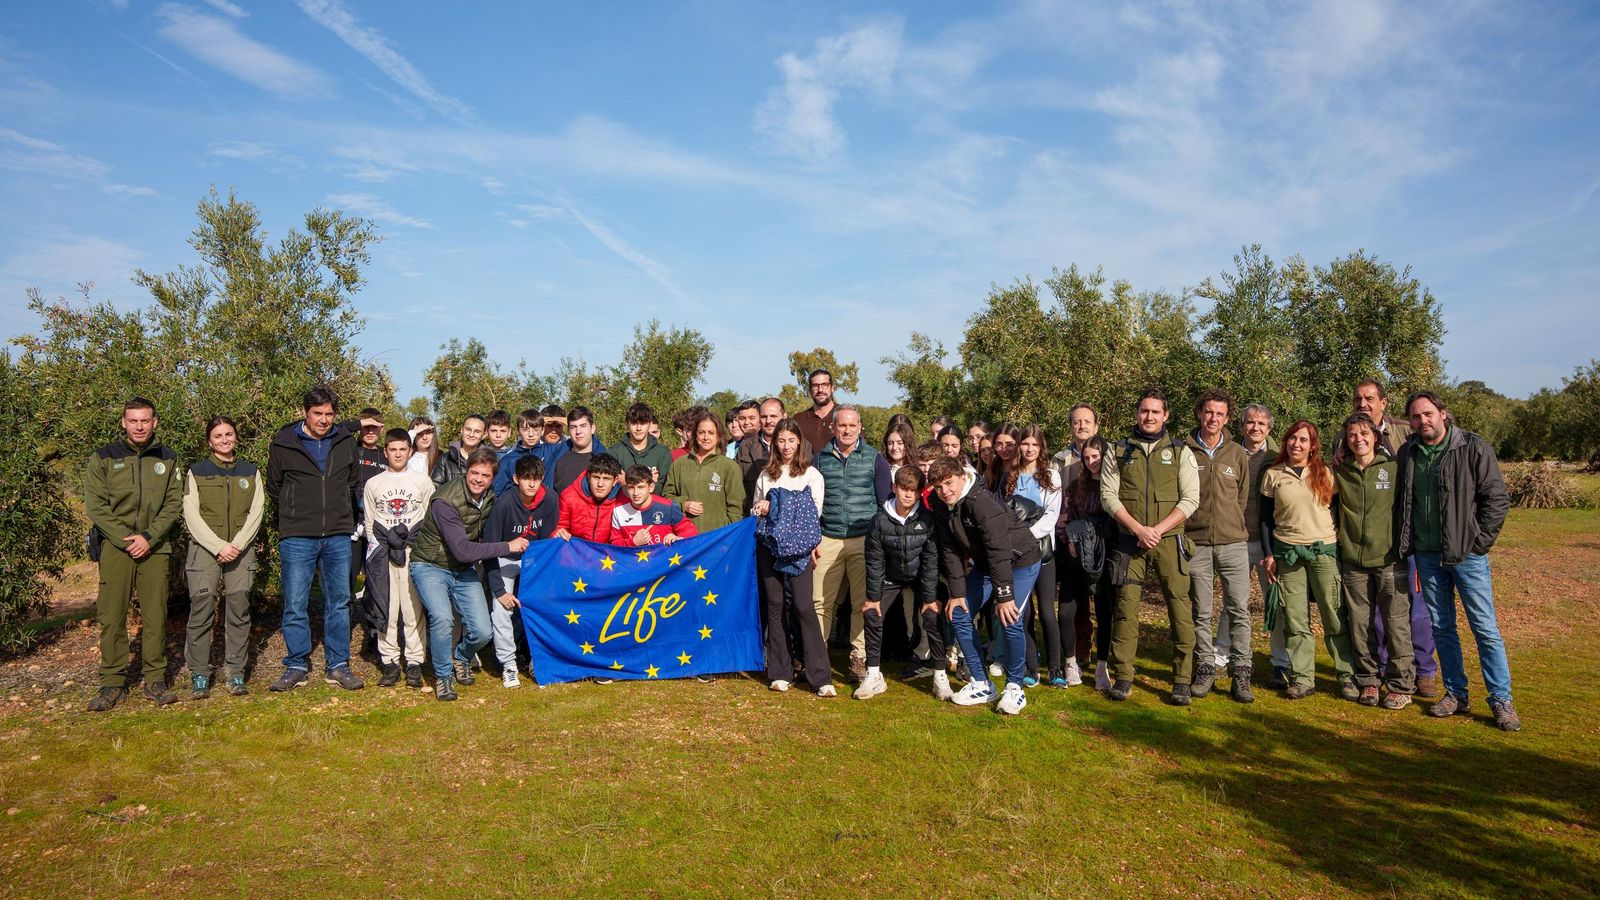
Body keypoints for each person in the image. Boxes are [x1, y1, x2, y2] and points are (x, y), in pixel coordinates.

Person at [1396, 391, 1518, 730]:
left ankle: (1501, 699)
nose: (1423, 421)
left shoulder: (1473, 447)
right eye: (1416, 416)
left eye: (1428, 414)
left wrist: (1478, 544)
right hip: (1427, 555)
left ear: (1443, 413)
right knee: (1442, 628)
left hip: (1467, 555)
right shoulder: (1409, 452)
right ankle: (1455, 693)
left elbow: (1497, 500)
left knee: (1485, 628)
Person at [1334, 379, 1440, 699]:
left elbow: (1411, 496)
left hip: (1397, 549)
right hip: (1356, 555)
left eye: (1370, 398)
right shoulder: (1343, 443)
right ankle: (1372, 676)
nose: (1363, 403)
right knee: (1366, 621)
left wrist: (1413, 544)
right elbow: (1328, 497)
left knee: (1409, 617)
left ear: (1384, 402)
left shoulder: (1403, 433)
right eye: (1358, 398)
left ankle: (1417, 674)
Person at [1100, 389, 1200, 705]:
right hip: (1130, 542)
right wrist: (1138, 529)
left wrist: (1156, 530)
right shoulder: (1117, 450)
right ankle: (1123, 678)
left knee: (1179, 609)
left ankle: (1182, 680)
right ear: (1137, 413)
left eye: (1156, 411)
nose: (1150, 416)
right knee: (1126, 610)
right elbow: (1108, 496)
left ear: (1165, 415)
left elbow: (1191, 499)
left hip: (1169, 541)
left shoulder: (1181, 451)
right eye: (1144, 411)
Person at [84, 397, 184, 710]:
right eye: (133, 420)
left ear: (155, 423)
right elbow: (96, 505)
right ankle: (112, 683)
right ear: (123, 423)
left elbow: (173, 503)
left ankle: (155, 680)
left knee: (156, 614)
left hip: (155, 547)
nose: (139, 426)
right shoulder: (104, 457)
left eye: (145, 420)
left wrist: (149, 537)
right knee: (112, 615)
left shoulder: (168, 458)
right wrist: (126, 539)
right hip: (116, 547)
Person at [267, 387, 366, 692]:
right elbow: (274, 487)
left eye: (329, 414)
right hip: (297, 535)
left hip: (337, 535)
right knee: (295, 603)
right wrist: (296, 514)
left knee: (339, 602)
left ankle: (337, 665)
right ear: (305, 412)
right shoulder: (284, 443)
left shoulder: (345, 442)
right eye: (317, 413)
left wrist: (343, 518)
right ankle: (296, 665)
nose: (323, 420)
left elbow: (351, 483)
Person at [409, 448, 528, 700]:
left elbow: (485, 536)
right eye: (474, 473)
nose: (478, 479)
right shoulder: (445, 500)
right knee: (442, 619)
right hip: (431, 565)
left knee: (483, 631)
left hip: (462, 570)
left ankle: (461, 656)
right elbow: (463, 550)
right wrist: (508, 546)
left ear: (492, 478)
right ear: (466, 471)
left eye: (485, 475)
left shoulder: (491, 497)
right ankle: (443, 677)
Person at [927, 456, 1042, 715]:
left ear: (961, 476)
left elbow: (999, 549)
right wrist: (957, 594)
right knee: (958, 612)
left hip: (1019, 560)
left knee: (1010, 618)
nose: (945, 491)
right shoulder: (940, 504)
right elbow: (949, 551)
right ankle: (981, 682)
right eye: (938, 487)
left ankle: (1015, 687)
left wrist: (1004, 595)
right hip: (986, 565)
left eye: (949, 483)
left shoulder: (982, 502)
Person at [1259, 420, 1358, 700]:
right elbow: (1265, 520)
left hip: (1323, 552)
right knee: (1294, 617)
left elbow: (1337, 510)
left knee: (1334, 614)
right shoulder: (1273, 474)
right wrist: (1269, 554)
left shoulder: (1326, 473)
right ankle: (1302, 678)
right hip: (1287, 554)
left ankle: (1346, 676)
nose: (1296, 444)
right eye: (1292, 439)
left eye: (1303, 440)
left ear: (1313, 445)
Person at [1333, 414, 1415, 709]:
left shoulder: (1393, 468)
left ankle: (1401, 684)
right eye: (1352, 434)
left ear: (1376, 436)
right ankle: (1368, 681)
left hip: (1390, 559)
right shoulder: (1340, 471)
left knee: (1396, 623)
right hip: (1353, 560)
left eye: (1364, 433)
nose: (1358, 439)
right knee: (1359, 624)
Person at [181, 416, 264, 699]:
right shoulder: (197, 471)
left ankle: (236, 673)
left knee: (239, 610)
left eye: (229, 434)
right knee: (201, 611)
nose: (224, 440)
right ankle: (200, 674)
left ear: (236, 438)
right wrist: (218, 546)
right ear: (209, 441)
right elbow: (191, 514)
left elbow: (257, 511)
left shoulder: (250, 471)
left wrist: (237, 544)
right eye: (218, 436)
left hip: (241, 550)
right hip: (205, 550)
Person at [811, 405, 892, 682]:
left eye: (852, 426)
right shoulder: (819, 460)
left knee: (862, 603)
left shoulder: (874, 460)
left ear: (860, 428)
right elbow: (813, 504)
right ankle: (817, 656)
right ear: (833, 427)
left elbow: (884, 504)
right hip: (828, 537)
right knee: (820, 601)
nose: (847, 430)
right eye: (842, 426)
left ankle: (859, 658)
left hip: (863, 539)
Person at [1182, 390, 1254, 702]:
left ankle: (1241, 672)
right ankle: (1205, 668)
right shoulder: (1184, 450)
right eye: (1209, 412)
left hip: (1233, 544)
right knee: (1201, 611)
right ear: (1200, 413)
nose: (1213, 418)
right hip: (1196, 543)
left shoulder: (1237, 453)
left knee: (1238, 609)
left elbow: (1241, 497)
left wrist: (1231, 526)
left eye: (1220, 414)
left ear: (1227, 419)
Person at [751, 419, 831, 695]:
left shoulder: (811, 475)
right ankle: (780, 672)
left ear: (799, 442)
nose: (786, 446)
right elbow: (756, 511)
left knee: (803, 607)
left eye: (791, 440)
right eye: (781, 441)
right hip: (768, 547)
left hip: (799, 549)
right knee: (774, 606)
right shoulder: (765, 474)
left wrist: (776, 505)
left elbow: (813, 514)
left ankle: (820, 677)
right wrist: (762, 508)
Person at [1214, 403, 1285, 685]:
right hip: (1236, 539)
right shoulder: (1228, 452)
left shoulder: (1278, 457)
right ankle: (1221, 655)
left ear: (1269, 428)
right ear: (1242, 425)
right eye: (1250, 423)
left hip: (1269, 543)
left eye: (1261, 424)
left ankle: (1281, 661)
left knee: (1274, 604)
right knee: (1233, 601)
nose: (1255, 428)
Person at [859, 464, 942, 700]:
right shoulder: (879, 520)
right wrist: (873, 597)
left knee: (931, 615)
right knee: (872, 615)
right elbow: (874, 561)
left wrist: (928, 598)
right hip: (890, 576)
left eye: (914, 490)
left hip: (919, 575)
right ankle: (873, 675)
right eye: (903, 488)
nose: (908, 494)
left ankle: (939, 673)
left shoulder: (927, 519)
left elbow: (930, 560)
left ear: (920, 493)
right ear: (894, 487)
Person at [363, 427, 434, 690]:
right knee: (387, 607)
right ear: (385, 452)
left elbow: (429, 518)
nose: (397, 454)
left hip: (412, 551)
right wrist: (377, 551)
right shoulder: (374, 484)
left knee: (412, 608)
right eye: (392, 449)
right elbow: (370, 522)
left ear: (410, 451)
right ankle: (390, 661)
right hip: (384, 553)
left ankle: (414, 661)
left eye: (402, 449)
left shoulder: (422, 482)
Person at [484, 454, 558, 688]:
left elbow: (545, 543)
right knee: (501, 609)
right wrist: (499, 591)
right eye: (526, 478)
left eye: (536, 478)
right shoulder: (503, 504)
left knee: (540, 604)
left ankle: (540, 660)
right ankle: (509, 665)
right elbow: (489, 550)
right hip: (503, 559)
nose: (532, 484)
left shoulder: (551, 499)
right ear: (516, 478)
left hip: (534, 561)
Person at [1005, 424, 1061, 687]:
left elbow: (1051, 517)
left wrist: (1026, 537)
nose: (1029, 449)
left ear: (1041, 448)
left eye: (1034, 445)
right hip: (1017, 557)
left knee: (1048, 613)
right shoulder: (1011, 476)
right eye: (1025, 444)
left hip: (1043, 553)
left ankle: (1055, 669)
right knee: (1023, 613)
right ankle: (1030, 667)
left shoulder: (1051, 476)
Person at [1060, 436, 1116, 691]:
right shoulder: (1076, 485)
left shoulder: (1115, 485)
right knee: (1068, 609)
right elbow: (1067, 518)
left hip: (1105, 553)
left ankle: (1102, 664)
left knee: (1105, 611)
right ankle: (1070, 661)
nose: (1092, 462)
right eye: (1087, 457)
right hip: (1078, 551)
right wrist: (1070, 540)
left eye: (1097, 456)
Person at [1052, 403, 1100, 671]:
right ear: (1070, 426)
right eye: (1076, 421)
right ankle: (1078, 651)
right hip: (1068, 537)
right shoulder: (1059, 460)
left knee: (1105, 600)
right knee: (1076, 599)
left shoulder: (1108, 455)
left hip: (1100, 539)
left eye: (1086, 421)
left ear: (1096, 426)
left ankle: (1107, 652)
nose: (1081, 425)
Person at [663, 411, 746, 533]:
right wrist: (683, 504)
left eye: (711, 433)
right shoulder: (679, 464)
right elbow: (666, 497)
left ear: (718, 436)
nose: (706, 437)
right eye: (701, 432)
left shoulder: (730, 467)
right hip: (685, 538)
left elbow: (736, 509)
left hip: (717, 540)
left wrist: (727, 536)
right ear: (695, 435)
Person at [349, 407, 386, 654]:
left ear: (381, 429)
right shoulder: (349, 451)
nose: (369, 431)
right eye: (365, 427)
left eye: (374, 427)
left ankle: (374, 632)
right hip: (351, 527)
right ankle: (344, 631)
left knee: (375, 583)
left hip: (377, 528)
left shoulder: (387, 455)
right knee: (346, 581)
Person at [611, 465, 698, 547]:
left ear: (651, 487)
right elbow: (615, 544)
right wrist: (633, 542)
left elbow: (691, 531)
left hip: (664, 561)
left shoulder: (668, 507)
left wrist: (678, 539)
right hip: (634, 562)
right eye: (631, 488)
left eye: (641, 487)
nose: (636, 493)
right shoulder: (618, 510)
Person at [555, 454, 626, 544]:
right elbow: (559, 527)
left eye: (606, 479)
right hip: (576, 552)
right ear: (588, 477)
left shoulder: (622, 500)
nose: (600, 484)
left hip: (608, 554)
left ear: (615, 481)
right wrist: (558, 533)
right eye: (596, 477)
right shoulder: (568, 496)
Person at [541, 405, 608, 493]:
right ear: (568, 430)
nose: (578, 432)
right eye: (573, 427)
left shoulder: (603, 459)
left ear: (593, 428)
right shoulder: (558, 455)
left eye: (583, 426)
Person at [611, 402, 674, 495]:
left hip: (654, 507)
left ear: (649, 424)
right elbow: (612, 487)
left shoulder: (662, 452)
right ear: (627, 424)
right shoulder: (615, 452)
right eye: (634, 423)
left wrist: (627, 481)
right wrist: (649, 481)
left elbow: (664, 488)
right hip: (623, 506)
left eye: (643, 423)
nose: (638, 428)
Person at [735, 397, 784, 513]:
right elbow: (738, 487)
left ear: (784, 416)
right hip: (755, 516)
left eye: (773, 416)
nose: (768, 421)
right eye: (764, 417)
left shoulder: (799, 445)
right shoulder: (745, 447)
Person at [432, 414, 486, 486]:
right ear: (462, 430)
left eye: (477, 431)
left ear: (484, 435)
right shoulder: (445, 459)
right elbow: (435, 488)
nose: (471, 434)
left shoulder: (489, 460)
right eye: (468, 429)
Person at [794, 369, 838, 455]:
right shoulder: (798, 420)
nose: (820, 390)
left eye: (825, 385)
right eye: (815, 386)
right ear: (810, 391)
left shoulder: (846, 416)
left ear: (832, 388)